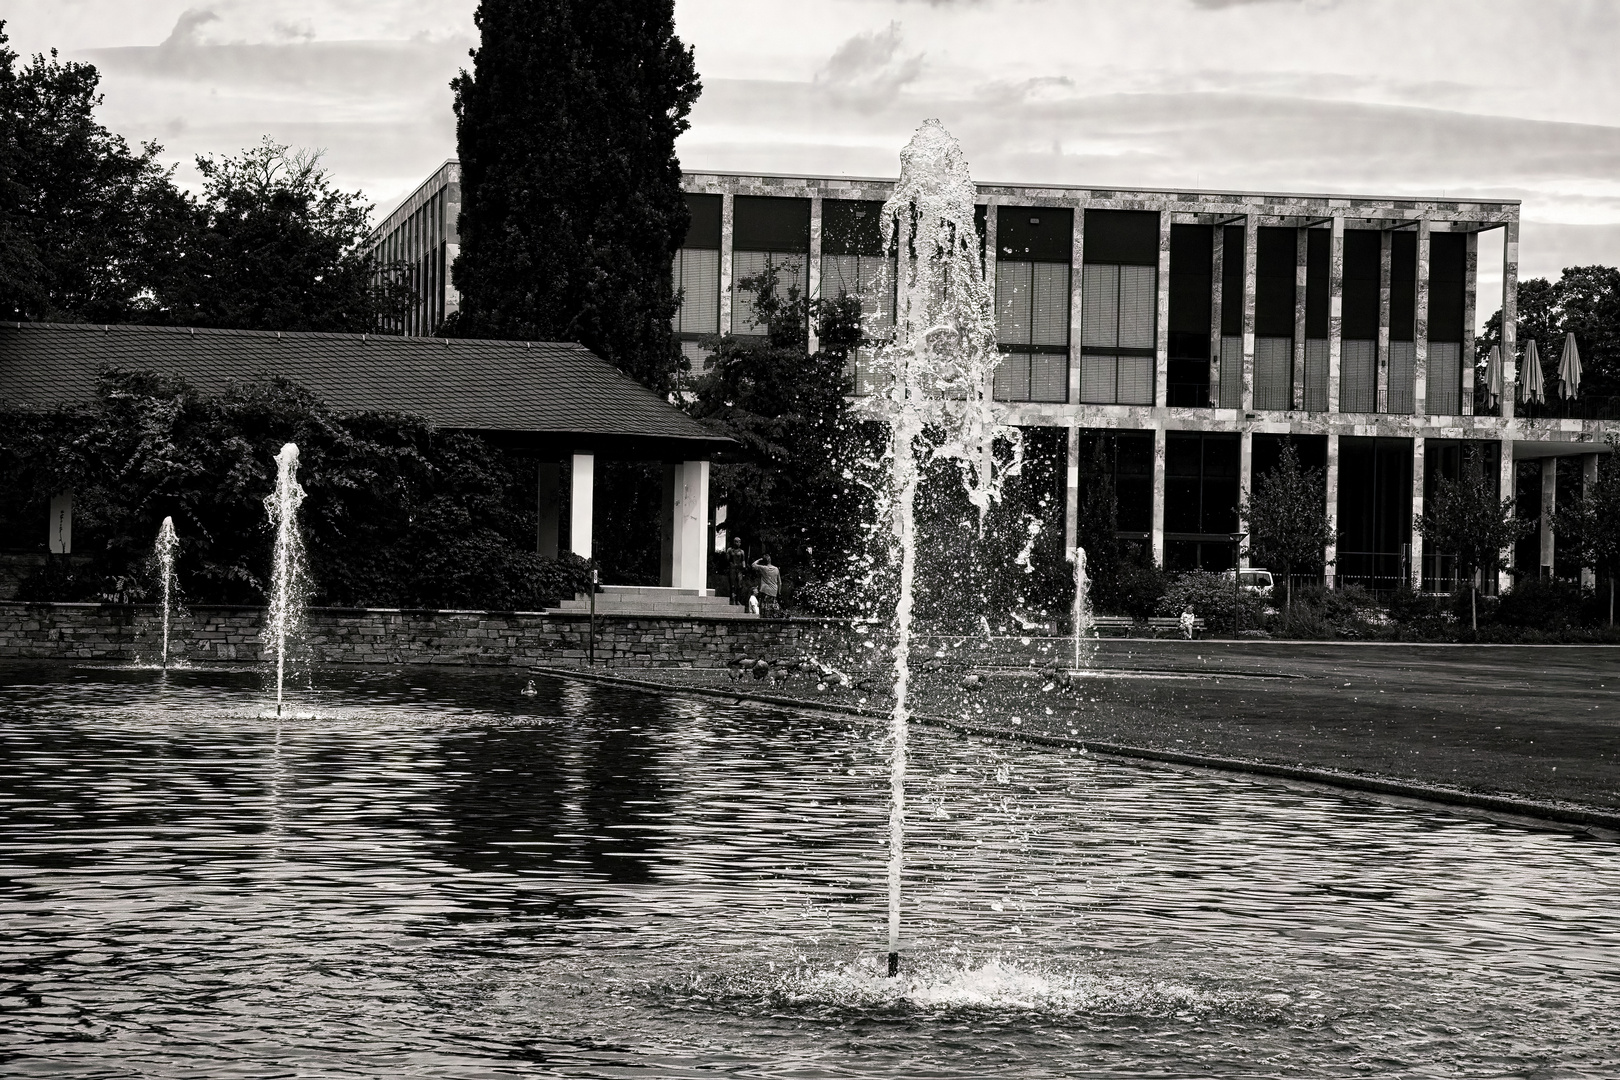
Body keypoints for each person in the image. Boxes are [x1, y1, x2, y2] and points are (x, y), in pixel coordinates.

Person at [725, 536, 747, 606]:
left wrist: (744, 568)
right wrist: (727, 554)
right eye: (736, 541)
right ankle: (733, 600)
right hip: (732, 568)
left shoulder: (742, 551)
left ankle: (738, 600)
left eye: (739, 542)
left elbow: (743, 560)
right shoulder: (730, 550)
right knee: (733, 585)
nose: (738, 543)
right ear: (734, 542)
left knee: (740, 585)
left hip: (739, 569)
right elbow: (727, 560)